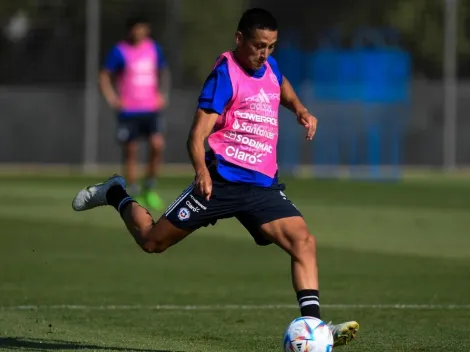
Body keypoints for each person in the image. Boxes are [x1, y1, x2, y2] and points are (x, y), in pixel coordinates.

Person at [74, 8, 359, 347]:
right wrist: (201, 172)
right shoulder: (225, 75)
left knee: (303, 242)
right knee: (152, 241)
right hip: (219, 182)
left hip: (261, 186)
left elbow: (280, 84)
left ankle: (314, 329)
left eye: (271, 46)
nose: (264, 53)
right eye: (257, 45)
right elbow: (196, 135)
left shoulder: (269, 66)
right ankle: (115, 192)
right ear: (239, 39)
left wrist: (300, 109)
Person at [99, 15, 171, 210]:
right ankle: (133, 189)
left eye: (142, 28)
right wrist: (113, 98)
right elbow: (104, 76)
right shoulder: (120, 51)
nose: (138, 32)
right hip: (130, 110)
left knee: (157, 144)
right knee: (131, 150)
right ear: (129, 30)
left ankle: (150, 187)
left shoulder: (154, 48)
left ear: (147, 29)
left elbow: (163, 71)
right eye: (135, 28)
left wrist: (162, 94)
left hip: (151, 108)